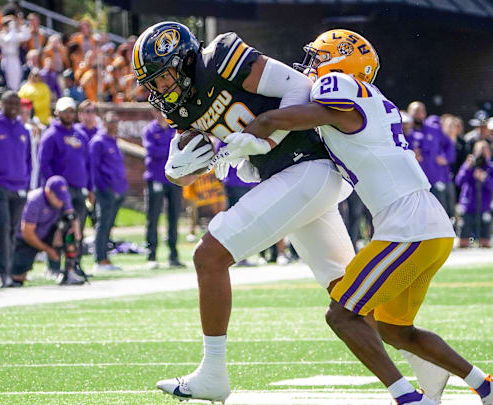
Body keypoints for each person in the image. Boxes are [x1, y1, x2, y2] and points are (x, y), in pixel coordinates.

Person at [132, 22, 439, 403]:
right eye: (152, 83)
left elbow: (300, 87)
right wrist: (177, 171)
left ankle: (213, 373)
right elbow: (204, 155)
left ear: (184, 61)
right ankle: (424, 373)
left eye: (162, 78)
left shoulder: (221, 58)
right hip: (296, 179)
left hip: (307, 166)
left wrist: (266, 138)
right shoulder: (181, 103)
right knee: (348, 297)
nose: (158, 90)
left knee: (209, 255)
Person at [231, 28, 493, 405]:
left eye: (319, 57)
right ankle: (487, 387)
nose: (311, 67)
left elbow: (279, 121)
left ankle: (406, 398)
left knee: (342, 315)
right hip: (426, 225)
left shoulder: (340, 89)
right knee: (394, 329)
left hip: (408, 228)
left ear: (340, 61)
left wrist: (242, 137)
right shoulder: (365, 100)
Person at [0, 91, 31, 287]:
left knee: (14, 230)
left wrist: (26, 182)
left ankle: (10, 272)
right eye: (10, 103)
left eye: (17, 103)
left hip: (18, 188)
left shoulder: (23, 130)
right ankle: (1, 273)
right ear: (2, 104)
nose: (14, 106)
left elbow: (28, 160)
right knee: (2, 226)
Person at [11, 175, 84, 286]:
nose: (61, 202)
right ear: (49, 192)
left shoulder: (63, 197)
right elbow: (27, 233)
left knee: (70, 230)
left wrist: (75, 235)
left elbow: (72, 217)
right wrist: (48, 250)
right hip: (26, 239)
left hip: (47, 232)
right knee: (17, 277)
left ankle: (70, 270)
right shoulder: (34, 201)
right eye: (58, 198)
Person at [38, 97, 93, 237]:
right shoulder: (50, 135)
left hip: (80, 189)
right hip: (60, 191)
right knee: (58, 230)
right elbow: (44, 164)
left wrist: (90, 188)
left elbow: (87, 163)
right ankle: (55, 259)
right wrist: (53, 187)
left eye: (71, 111)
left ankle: (75, 259)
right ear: (57, 112)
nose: (68, 114)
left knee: (77, 231)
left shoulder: (81, 135)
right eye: (65, 111)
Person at [142, 109, 184, 268]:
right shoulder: (150, 130)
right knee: (152, 217)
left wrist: (168, 151)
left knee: (174, 217)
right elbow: (151, 151)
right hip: (155, 178)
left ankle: (173, 255)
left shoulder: (174, 129)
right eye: (158, 111)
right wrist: (171, 151)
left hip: (174, 179)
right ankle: (151, 254)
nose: (161, 114)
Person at [89, 111, 127, 271]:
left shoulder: (113, 141)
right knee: (102, 224)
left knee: (108, 225)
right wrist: (98, 188)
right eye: (111, 121)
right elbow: (93, 168)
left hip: (117, 189)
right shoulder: (98, 141)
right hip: (105, 190)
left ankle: (105, 256)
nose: (114, 125)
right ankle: (100, 259)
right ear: (103, 123)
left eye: (116, 121)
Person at [455, 141, 493, 248]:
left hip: (484, 207)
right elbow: (459, 182)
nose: (482, 155)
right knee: (463, 243)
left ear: (489, 153)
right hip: (468, 206)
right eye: (480, 152)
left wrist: (484, 178)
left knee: (485, 243)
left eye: (484, 152)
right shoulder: (469, 165)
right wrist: (467, 167)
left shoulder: (492, 168)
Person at [0, 14, 29, 90]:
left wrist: (21, 25)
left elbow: (26, 36)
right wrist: (12, 28)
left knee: (18, 78)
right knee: (10, 79)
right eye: (9, 25)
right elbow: (9, 39)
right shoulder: (1, 35)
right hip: (7, 58)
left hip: (15, 58)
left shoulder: (13, 33)